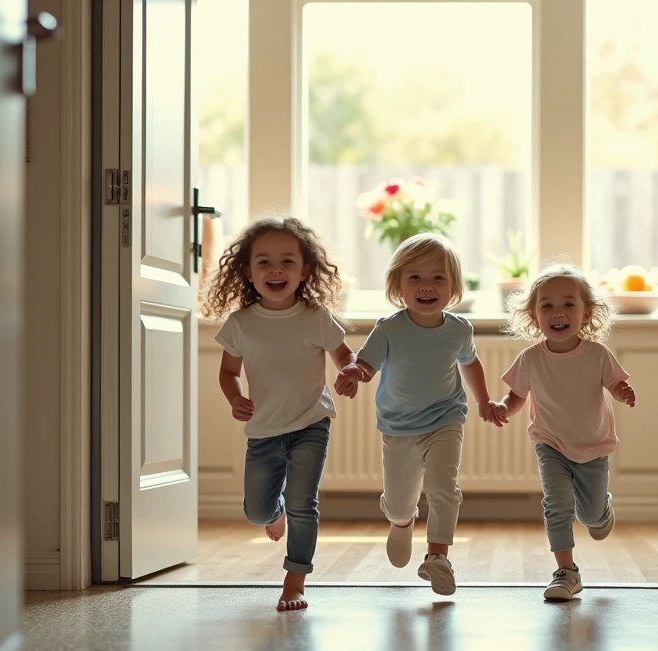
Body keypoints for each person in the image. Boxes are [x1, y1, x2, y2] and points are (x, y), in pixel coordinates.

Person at [204, 216, 358, 611]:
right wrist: (234, 398)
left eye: (288, 261)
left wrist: (350, 373)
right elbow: (227, 373)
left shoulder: (315, 316)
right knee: (256, 510)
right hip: (264, 431)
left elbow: (344, 356)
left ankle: (295, 582)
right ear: (247, 271)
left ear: (305, 270)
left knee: (304, 503)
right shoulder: (241, 324)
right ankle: (274, 513)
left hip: (311, 423)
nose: (276, 269)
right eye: (265, 262)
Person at [335, 233, 501, 596]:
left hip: (446, 417)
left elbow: (470, 364)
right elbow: (366, 364)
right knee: (399, 499)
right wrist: (354, 375)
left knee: (444, 488)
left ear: (454, 285)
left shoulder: (459, 329)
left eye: (438, 278)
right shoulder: (389, 328)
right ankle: (402, 519)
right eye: (415, 277)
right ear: (398, 284)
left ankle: (438, 556)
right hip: (398, 426)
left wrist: (485, 401)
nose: (427, 286)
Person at [491, 265, 635, 601]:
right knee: (556, 505)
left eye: (568, 305)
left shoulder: (597, 354)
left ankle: (601, 511)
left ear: (586, 314)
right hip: (550, 441)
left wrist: (623, 392)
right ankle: (566, 572)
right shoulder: (529, 359)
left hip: (593, 445)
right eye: (547, 306)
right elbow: (516, 397)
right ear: (533, 316)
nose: (558, 313)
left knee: (590, 515)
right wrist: (502, 407)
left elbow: (616, 383)